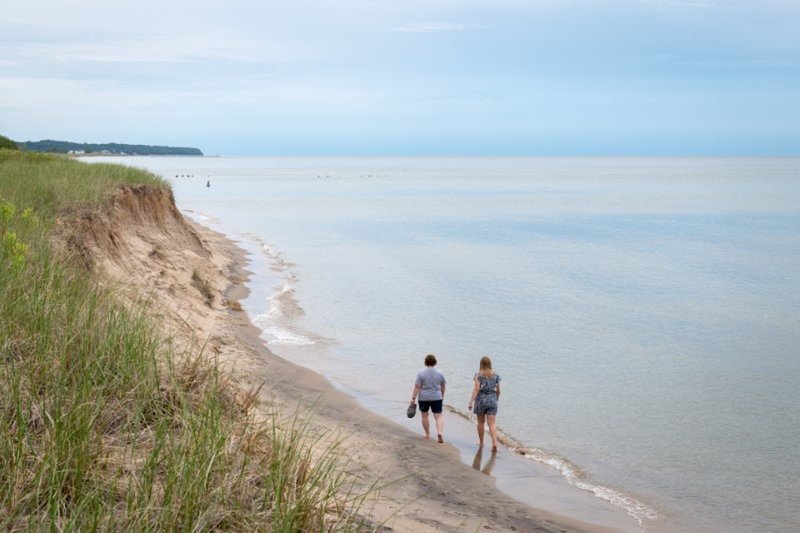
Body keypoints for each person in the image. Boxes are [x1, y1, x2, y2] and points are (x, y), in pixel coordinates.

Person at [468, 356, 501, 453]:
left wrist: (471, 401)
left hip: (481, 400)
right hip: (492, 400)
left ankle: (481, 442)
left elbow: (477, 389)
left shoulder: (478, 375)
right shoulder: (496, 375)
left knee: (481, 422)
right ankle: (494, 443)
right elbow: (498, 391)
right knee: (492, 423)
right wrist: (495, 400)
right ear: (490, 364)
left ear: (481, 364)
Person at [411, 354, 446, 443]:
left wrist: (413, 398)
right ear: (435, 362)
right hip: (437, 397)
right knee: (438, 416)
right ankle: (439, 433)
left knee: (424, 415)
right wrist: (442, 395)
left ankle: (427, 434)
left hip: (423, 397)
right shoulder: (440, 373)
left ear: (425, 362)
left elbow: (417, 386)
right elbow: (443, 386)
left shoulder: (421, 373)